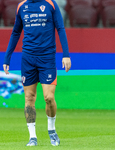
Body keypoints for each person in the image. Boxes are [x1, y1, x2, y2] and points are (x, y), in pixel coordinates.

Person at [3, 0, 71, 147]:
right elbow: (16, 32)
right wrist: (7, 58)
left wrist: (66, 55)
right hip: (28, 59)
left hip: (47, 58)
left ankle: (51, 130)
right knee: (29, 98)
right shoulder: (22, 6)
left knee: (49, 97)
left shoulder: (50, 4)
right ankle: (32, 137)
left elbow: (60, 28)